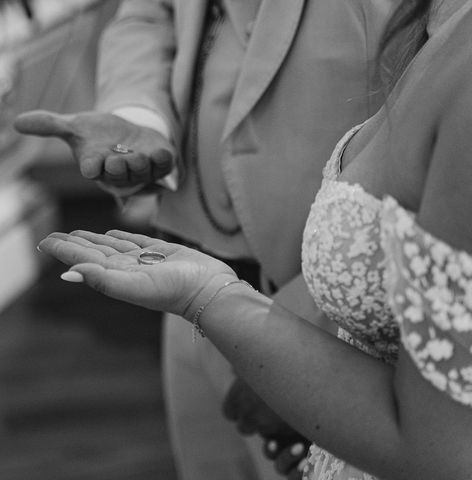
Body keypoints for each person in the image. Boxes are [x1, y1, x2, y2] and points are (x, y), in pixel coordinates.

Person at [37, 0, 472, 478]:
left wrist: (301, 346)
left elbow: (436, 444)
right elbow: (150, 11)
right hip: (181, 255)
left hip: (322, 306)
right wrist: (140, 118)